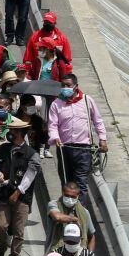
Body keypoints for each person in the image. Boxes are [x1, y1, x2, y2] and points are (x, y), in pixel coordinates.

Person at [47, 73, 107, 202]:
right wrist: (55, 137)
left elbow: (98, 121)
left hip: (84, 150)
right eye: (63, 85)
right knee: (66, 183)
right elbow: (52, 125)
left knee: (81, 184)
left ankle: (80, 212)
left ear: (76, 86)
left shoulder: (87, 100)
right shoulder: (56, 104)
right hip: (64, 149)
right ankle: (67, 209)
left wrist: (102, 139)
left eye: (68, 85)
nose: (65, 88)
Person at [0, 118, 41, 256]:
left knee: (19, 230)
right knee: (1, 226)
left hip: (22, 197)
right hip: (2, 195)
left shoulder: (32, 154)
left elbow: (30, 176)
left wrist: (18, 192)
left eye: (13, 131)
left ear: (20, 133)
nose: (10, 133)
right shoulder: (3, 149)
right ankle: (1, 249)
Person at [47, 181, 96, 254]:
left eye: (73, 197)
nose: (69, 199)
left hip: (78, 254)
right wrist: (74, 219)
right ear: (62, 193)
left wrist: (89, 255)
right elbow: (57, 217)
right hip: (55, 252)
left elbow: (91, 236)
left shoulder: (84, 213)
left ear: (78, 196)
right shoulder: (54, 204)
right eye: (67, 195)